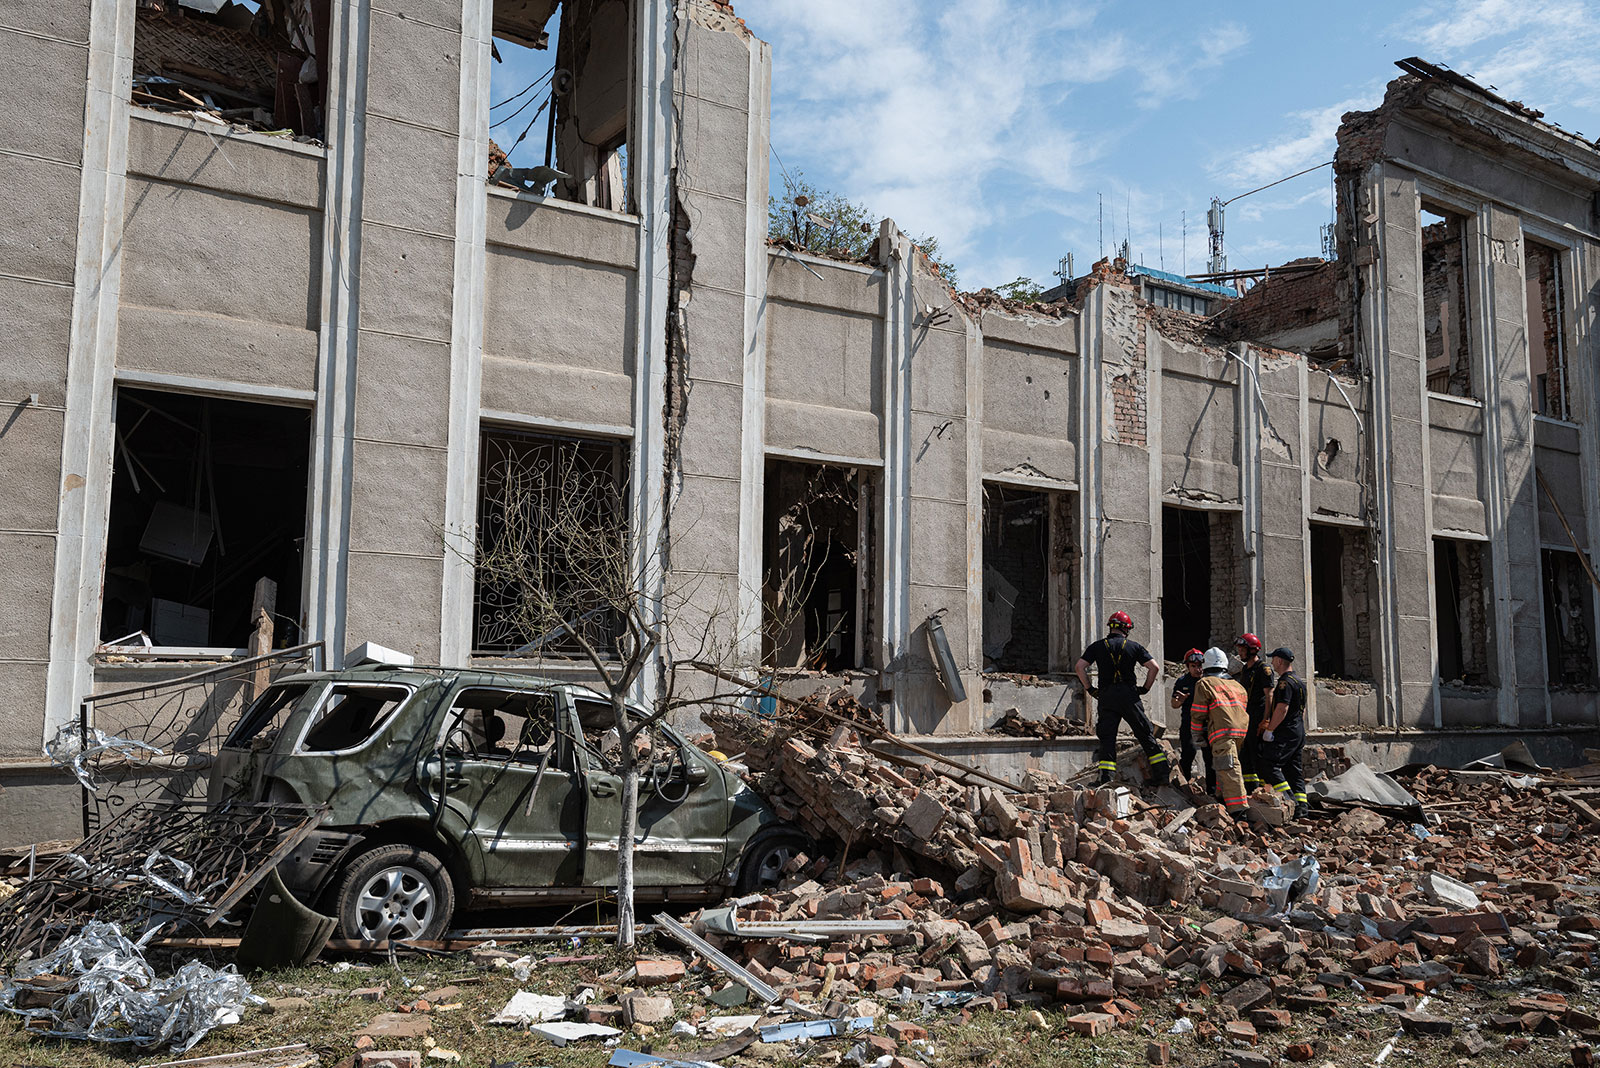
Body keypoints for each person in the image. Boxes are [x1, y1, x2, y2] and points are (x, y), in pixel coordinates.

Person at [1075, 611, 1169, 786]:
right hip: (1129, 696)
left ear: (1111, 627)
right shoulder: (1134, 647)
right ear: (1127, 629)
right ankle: (1162, 775)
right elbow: (1154, 667)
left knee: (1107, 738)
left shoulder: (1097, 646)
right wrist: (1145, 688)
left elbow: (1080, 667)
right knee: (1144, 734)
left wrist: (1089, 688)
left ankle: (1106, 779)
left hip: (1106, 696)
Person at [1189, 647, 1251, 818]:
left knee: (1228, 768)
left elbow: (1198, 712)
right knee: (1223, 766)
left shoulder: (1205, 683)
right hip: (1240, 731)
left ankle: (1239, 810)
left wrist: (1196, 735)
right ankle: (1221, 797)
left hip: (1222, 732)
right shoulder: (1237, 685)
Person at [1258, 646, 1309, 819]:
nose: (1272, 662)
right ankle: (1302, 808)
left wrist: (1270, 730)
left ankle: (1290, 800)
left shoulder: (1284, 683)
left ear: (1279, 661)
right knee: (1293, 770)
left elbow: (1282, 708)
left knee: (1269, 764)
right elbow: (1301, 710)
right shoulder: (1299, 682)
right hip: (1298, 730)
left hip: (1286, 732)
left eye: (1273, 659)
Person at [1232, 633, 1271, 793]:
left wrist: (1266, 719)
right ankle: (1251, 790)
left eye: (1242, 649)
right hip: (1246, 717)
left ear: (1252, 650)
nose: (1240, 652)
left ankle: (1265, 791)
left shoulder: (1263, 669)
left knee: (1258, 755)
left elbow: (1269, 695)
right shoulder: (1245, 669)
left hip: (1258, 717)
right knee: (1245, 755)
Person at [1172, 648, 1214, 791]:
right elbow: (1174, 704)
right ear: (1188, 667)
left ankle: (1212, 789)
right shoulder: (1182, 681)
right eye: (1193, 666)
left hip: (1207, 726)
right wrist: (1181, 700)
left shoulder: (1209, 680)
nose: (1198, 669)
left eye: (1200, 666)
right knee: (1188, 756)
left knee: (1209, 758)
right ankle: (1185, 788)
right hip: (1188, 725)